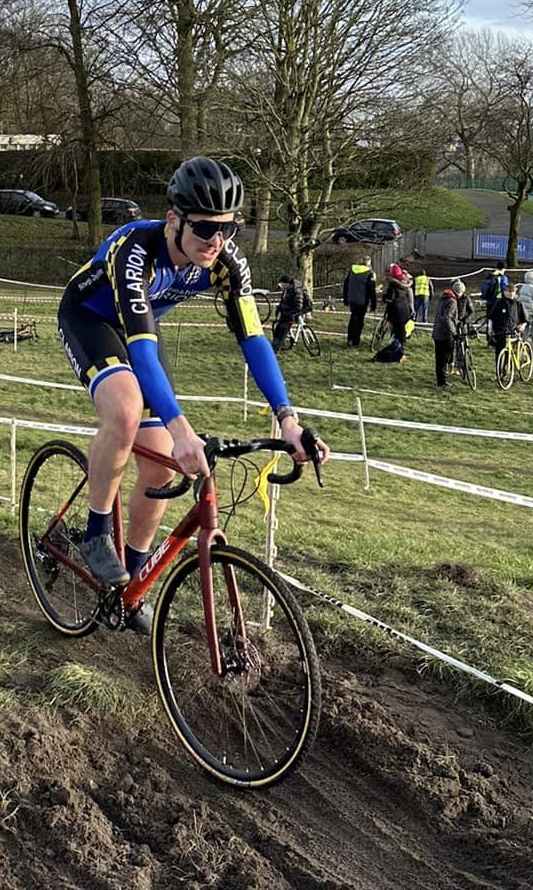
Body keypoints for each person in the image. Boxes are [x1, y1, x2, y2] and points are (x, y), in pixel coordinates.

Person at [56, 156, 324, 595]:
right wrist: (182, 428)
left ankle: (134, 581)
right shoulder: (136, 250)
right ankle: (96, 530)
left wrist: (288, 420)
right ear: (173, 220)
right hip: (91, 319)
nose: (216, 240)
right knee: (125, 413)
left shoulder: (226, 261)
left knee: (160, 468)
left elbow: (254, 340)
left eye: (229, 228)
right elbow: (141, 352)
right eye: (204, 228)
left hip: (142, 326)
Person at [374, 262, 414, 364]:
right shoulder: (404, 285)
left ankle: (398, 353)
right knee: (401, 333)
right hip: (405, 312)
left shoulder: (393, 286)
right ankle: (400, 351)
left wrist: (383, 297)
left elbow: (389, 299)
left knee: (397, 334)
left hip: (395, 312)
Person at [432, 280, 467, 390]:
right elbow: (447, 318)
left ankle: (440, 380)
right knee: (444, 357)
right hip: (445, 334)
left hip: (437, 332)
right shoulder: (452, 301)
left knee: (439, 358)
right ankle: (442, 383)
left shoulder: (443, 298)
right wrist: (453, 332)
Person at [486, 280, 525, 363]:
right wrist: (490, 328)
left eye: (512, 292)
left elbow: (524, 319)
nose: (510, 294)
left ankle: (507, 370)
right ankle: (499, 371)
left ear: (515, 292)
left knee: (510, 353)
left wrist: (522, 325)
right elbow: (491, 316)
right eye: (508, 292)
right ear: (504, 292)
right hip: (500, 331)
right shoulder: (499, 303)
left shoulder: (518, 304)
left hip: (513, 331)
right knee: (499, 351)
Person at [342, 257, 377, 348]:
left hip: (352, 299)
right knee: (359, 321)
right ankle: (355, 341)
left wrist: (345, 298)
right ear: (369, 264)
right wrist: (373, 304)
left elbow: (346, 285)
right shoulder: (369, 274)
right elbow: (371, 290)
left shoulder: (352, 271)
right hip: (362, 301)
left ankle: (349, 339)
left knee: (353, 318)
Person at [271, 274, 311, 351]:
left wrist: (292, 314)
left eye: (282, 284)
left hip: (290, 315)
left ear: (286, 283)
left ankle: (274, 350)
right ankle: (274, 347)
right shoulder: (286, 290)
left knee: (282, 333)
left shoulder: (296, 291)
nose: (281, 286)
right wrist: (279, 309)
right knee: (277, 331)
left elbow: (298, 306)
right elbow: (283, 302)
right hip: (284, 314)